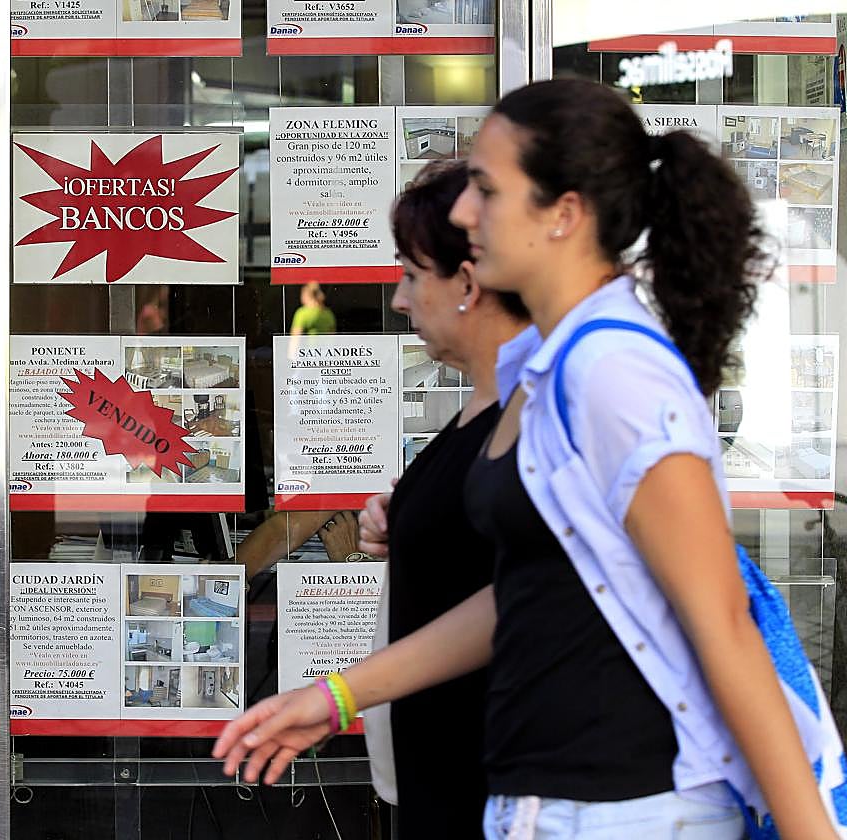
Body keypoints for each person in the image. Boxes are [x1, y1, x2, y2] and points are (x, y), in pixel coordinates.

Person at [216, 79, 841, 839]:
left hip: (629, 811)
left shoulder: (614, 370)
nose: (461, 212)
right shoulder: (550, 369)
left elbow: (723, 623)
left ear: (564, 214)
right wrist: (337, 696)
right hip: (547, 807)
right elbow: (537, 590)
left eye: (486, 188)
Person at [225, 160, 535, 836]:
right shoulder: (483, 407)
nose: (398, 300)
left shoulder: (536, 406)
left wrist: (336, 696)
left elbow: (523, 590)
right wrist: (406, 525)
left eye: (411, 275)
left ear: (469, 281)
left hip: (486, 781)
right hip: (437, 776)